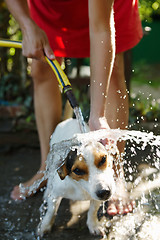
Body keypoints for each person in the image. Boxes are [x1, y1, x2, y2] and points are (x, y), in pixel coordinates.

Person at [5, 0, 142, 216]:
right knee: (41, 69)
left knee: (113, 72)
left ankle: (114, 172)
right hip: (49, 7)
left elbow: (101, 29)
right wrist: (26, 23)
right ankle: (47, 168)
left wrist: (97, 115)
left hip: (106, 9)